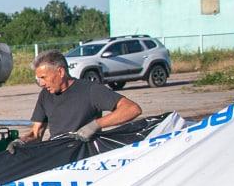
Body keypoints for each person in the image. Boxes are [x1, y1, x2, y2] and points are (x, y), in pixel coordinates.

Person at [12, 50, 141, 149]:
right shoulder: (45, 95)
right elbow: (36, 134)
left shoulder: (90, 90)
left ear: (61, 72)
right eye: (39, 79)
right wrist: (22, 142)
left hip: (84, 156)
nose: (42, 83)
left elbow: (132, 109)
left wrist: (95, 125)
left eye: (44, 77)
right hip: (56, 154)